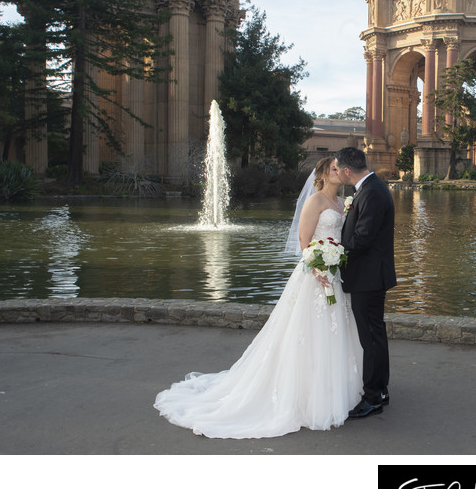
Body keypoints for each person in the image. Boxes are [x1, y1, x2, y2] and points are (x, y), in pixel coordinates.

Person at [153, 157, 363, 439]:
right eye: (335, 168)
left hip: (335, 276)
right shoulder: (315, 202)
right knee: (308, 334)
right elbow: (304, 242)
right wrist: (317, 269)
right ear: (324, 174)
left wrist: (334, 263)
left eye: (341, 168)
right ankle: (303, 396)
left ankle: (332, 390)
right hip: (316, 277)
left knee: (335, 333)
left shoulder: (342, 203)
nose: (340, 171)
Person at [333, 147, 397, 419]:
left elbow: (363, 237)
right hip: (371, 276)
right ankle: (380, 389)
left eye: (338, 169)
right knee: (375, 335)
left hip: (368, 278)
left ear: (348, 171)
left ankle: (372, 397)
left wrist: (335, 252)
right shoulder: (371, 188)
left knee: (369, 338)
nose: (337, 173)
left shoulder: (371, 192)